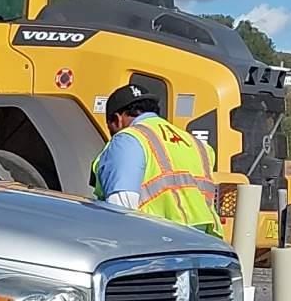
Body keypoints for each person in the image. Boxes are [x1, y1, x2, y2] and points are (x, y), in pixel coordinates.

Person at [91, 82, 226, 238]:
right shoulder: (196, 144)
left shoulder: (129, 139)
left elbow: (121, 206)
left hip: (156, 241)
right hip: (200, 243)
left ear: (116, 120)